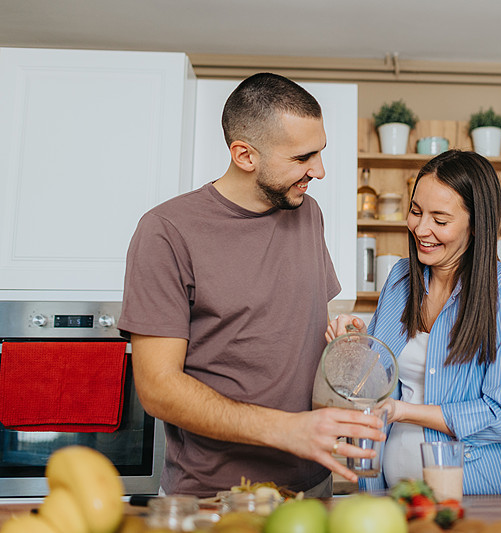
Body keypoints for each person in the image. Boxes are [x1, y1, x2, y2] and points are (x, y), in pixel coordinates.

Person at [118, 73, 384, 498]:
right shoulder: (166, 231)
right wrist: (286, 429)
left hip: (313, 481)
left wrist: (339, 340)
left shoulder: (307, 212)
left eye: (321, 152)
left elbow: (297, 323)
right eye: (303, 157)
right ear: (244, 155)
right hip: (216, 495)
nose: (318, 170)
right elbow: (157, 388)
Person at [327, 150, 501, 494]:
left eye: (440, 220)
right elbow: (370, 389)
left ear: (475, 225)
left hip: (485, 496)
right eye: (415, 211)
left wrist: (405, 411)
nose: (421, 228)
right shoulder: (402, 279)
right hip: (396, 495)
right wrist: (353, 347)